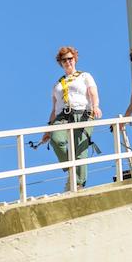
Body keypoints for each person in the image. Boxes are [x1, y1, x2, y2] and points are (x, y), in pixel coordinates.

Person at [41, 46, 102, 189]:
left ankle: (79, 183)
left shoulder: (84, 76)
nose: (68, 62)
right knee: (57, 141)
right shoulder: (57, 84)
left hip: (82, 112)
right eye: (64, 60)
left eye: (70, 58)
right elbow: (54, 108)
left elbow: (92, 92)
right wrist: (48, 129)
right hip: (63, 115)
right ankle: (70, 168)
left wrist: (95, 106)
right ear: (60, 63)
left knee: (80, 147)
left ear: (75, 59)